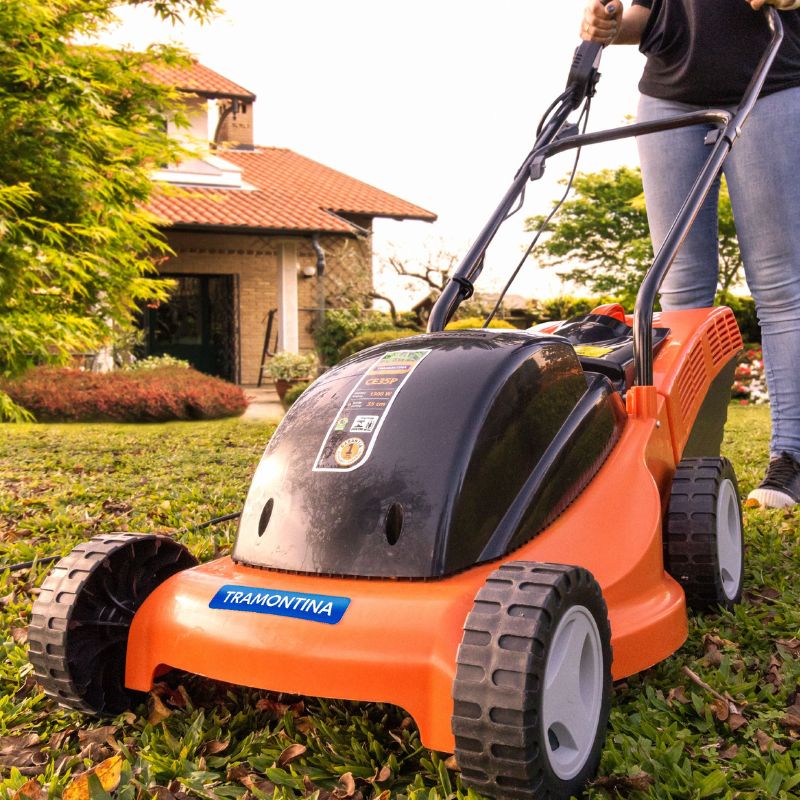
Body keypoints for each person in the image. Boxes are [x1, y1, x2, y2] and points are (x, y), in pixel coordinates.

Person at [580, 0, 800, 508]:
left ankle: (790, 457)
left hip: (771, 81)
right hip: (669, 94)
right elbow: (653, 13)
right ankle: (689, 464)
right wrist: (614, 27)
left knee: (779, 284)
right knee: (678, 290)